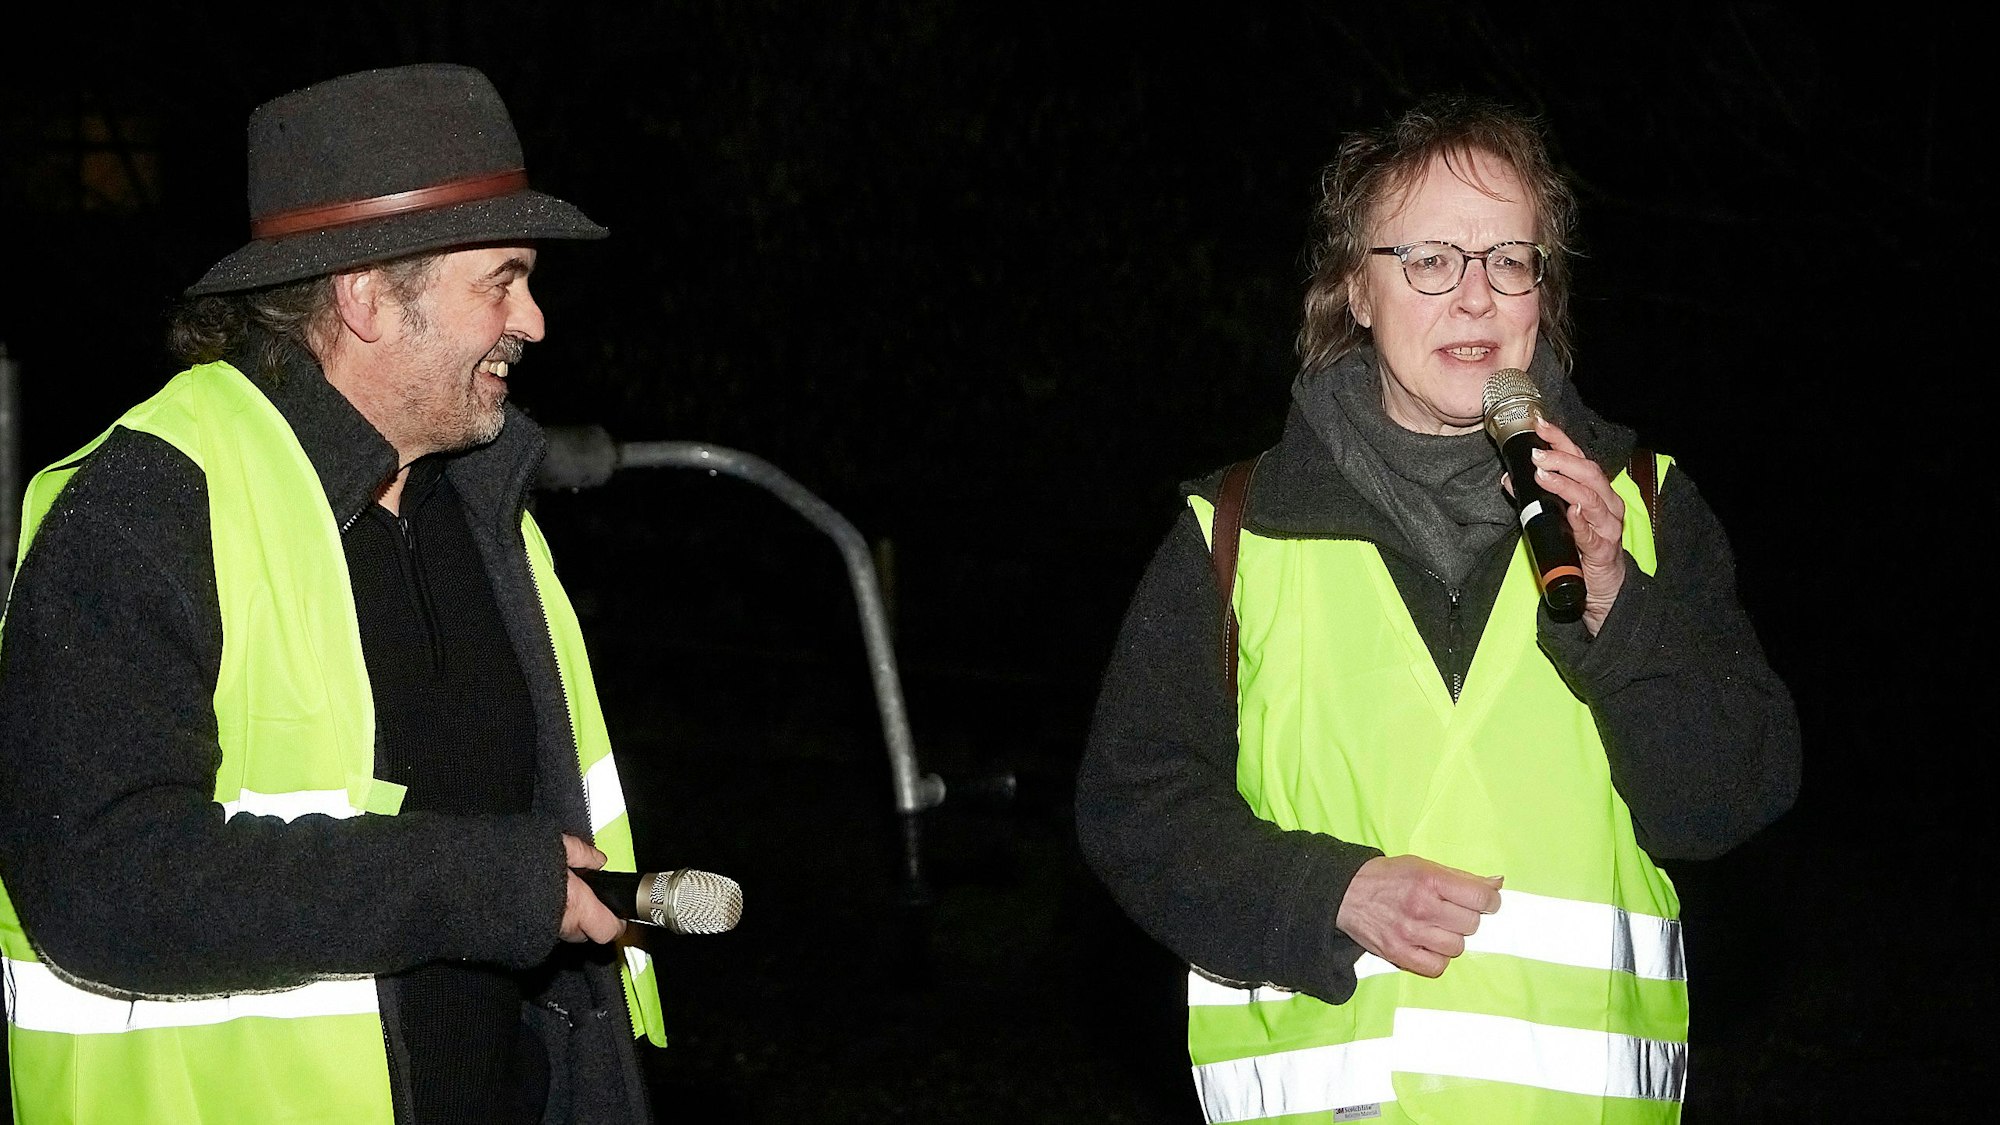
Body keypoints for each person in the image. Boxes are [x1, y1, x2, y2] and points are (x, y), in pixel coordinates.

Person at [1074, 95, 1800, 1123]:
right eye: (1428, 260)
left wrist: (1617, 611)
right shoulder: (1233, 532)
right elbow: (1130, 810)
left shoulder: (1642, 507)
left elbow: (1730, 799)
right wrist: (1322, 894)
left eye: (1509, 259)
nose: (1473, 298)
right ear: (1350, 292)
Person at [0, 64, 663, 1122]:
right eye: (501, 278)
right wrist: (483, 884)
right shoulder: (148, 504)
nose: (531, 319)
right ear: (365, 293)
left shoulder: (484, 511)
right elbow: (101, 883)